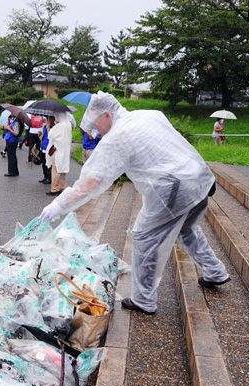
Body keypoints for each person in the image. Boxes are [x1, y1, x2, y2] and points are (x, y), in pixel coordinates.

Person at [40, 92, 230, 315]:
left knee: (144, 237)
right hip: (200, 178)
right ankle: (216, 272)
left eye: (96, 124)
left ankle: (143, 299)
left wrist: (57, 207)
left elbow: (89, 184)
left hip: (173, 188)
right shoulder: (149, 115)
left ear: (107, 115)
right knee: (187, 229)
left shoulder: (118, 136)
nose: (95, 130)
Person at [44, 112, 72, 196]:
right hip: (65, 150)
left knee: (56, 170)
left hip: (57, 151)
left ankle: (54, 189)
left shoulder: (59, 126)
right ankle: (61, 187)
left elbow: (50, 135)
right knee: (62, 171)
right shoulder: (68, 125)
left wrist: (48, 125)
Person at [39, 116, 53, 185]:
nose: (46, 121)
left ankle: (49, 178)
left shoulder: (52, 127)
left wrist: (48, 128)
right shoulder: (44, 126)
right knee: (43, 163)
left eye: (47, 119)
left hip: (48, 147)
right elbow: (42, 136)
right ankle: (45, 176)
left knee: (48, 163)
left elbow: (51, 137)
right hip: (43, 146)